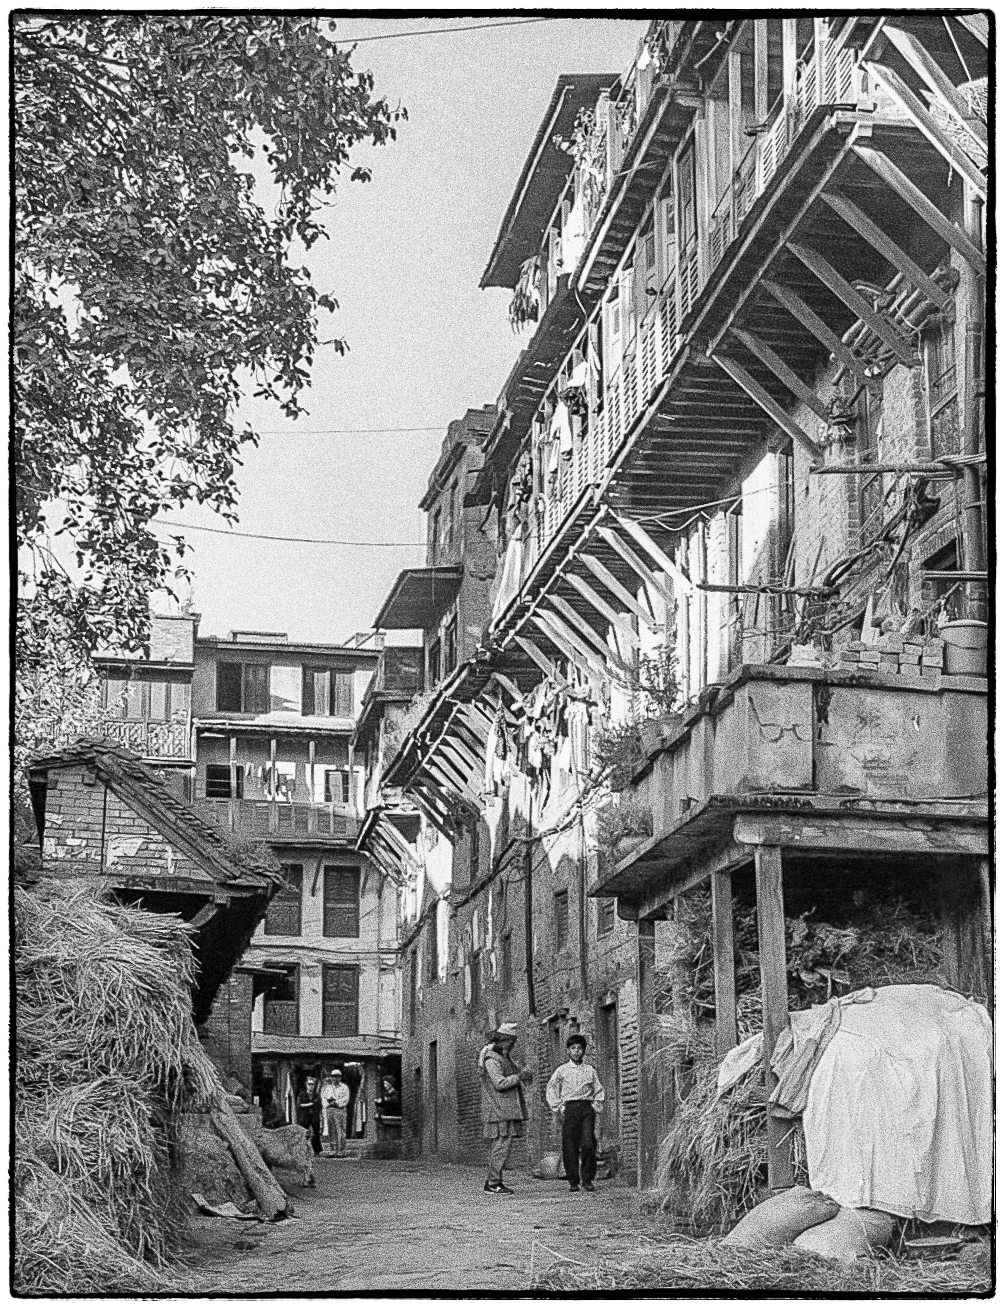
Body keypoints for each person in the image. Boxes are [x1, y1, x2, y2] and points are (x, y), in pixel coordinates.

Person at [478, 1020, 532, 1194]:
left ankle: (495, 1181)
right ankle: (493, 1182)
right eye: (511, 1042)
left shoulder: (503, 1057)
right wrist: (519, 1077)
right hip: (499, 1110)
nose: (512, 1045)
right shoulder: (491, 1059)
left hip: (505, 1110)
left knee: (502, 1147)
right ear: (505, 1041)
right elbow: (499, 1083)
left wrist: (521, 1075)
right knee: (501, 1147)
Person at [546, 1034, 605, 1192]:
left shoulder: (590, 1070)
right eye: (573, 1048)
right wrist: (560, 1107)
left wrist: (595, 1106)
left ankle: (587, 1179)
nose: (576, 1051)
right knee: (570, 1144)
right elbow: (551, 1089)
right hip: (570, 1109)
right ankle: (573, 1180)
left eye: (579, 1048)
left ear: (584, 1050)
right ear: (568, 1051)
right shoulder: (562, 1071)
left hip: (586, 1108)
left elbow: (598, 1090)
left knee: (588, 1143)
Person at [320, 1068, 350, 1157]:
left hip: (340, 1109)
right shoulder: (327, 1088)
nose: (334, 1078)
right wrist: (328, 1104)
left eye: (336, 1076)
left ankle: (341, 1150)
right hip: (330, 1109)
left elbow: (346, 1099)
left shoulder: (344, 1087)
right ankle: (333, 1149)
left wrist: (336, 1102)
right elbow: (323, 1098)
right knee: (331, 1129)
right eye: (333, 1076)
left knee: (340, 1130)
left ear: (340, 1077)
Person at [296, 1073, 322, 1156]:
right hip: (304, 1116)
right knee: (303, 1134)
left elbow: (319, 1105)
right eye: (309, 1084)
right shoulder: (302, 1094)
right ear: (306, 1085)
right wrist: (310, 1104)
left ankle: (317, 1151)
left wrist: (309, 1105)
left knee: (316, 1134)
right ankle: (302, 1150)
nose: (311, 1086)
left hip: (314, 1116)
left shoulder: (317, 1095)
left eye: (312, 1084)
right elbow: (299, 1105)